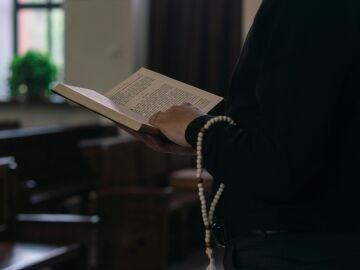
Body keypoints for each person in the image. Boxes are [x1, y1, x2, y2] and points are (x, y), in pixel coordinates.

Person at [130, 0, 360, 269]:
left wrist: (197, 128)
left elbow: (280, 164)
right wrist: (201, 135)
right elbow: (300, 127)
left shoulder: (306, 8)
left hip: (293, 247)